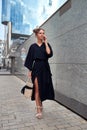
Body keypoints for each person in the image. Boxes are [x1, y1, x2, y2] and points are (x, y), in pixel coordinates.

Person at [24, 27, 55, 119]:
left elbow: (49, 54)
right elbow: (29, 59)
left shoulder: (47, 44)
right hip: (36, 68)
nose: (42, 35)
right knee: (37, 89)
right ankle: (38, 109)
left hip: (45, 68)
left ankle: (40, 103)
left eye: (43, 33)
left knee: (43, 88)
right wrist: (29, 71)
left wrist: (45, 43)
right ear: (36, 35)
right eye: (40, 33)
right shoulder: (32, 47)